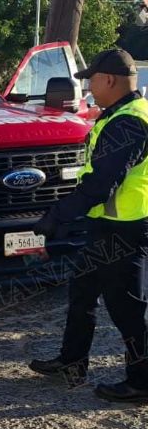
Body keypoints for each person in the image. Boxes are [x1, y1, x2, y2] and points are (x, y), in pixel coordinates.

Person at [29, 49, 148, 404]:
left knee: (127, 308)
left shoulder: (128, 122)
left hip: (125, 229)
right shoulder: (126, 114)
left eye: (91, 81)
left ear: (109, 80)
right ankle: (72, 362)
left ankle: (142, 382)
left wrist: (57, 216)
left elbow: (100, 185)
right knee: (82, 291)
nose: (88, 89)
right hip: (109, 224)